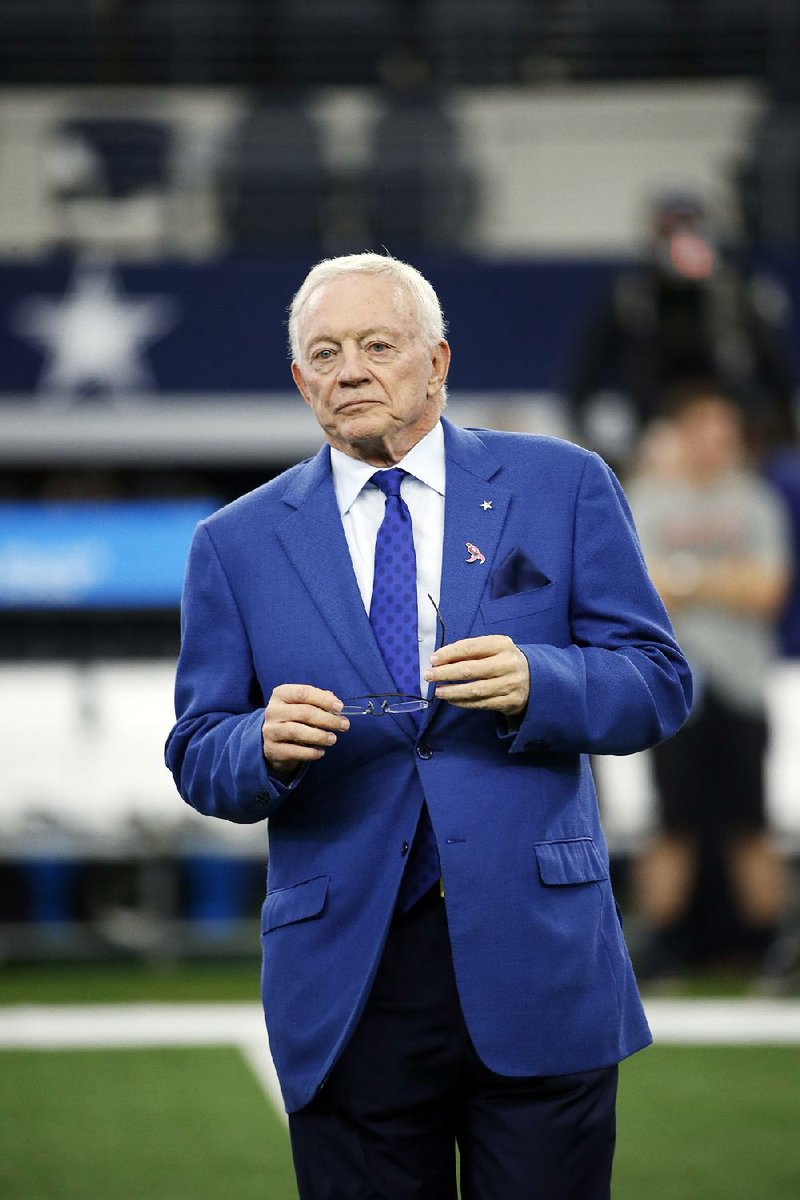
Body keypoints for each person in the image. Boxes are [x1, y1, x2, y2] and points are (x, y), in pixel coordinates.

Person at [165, 253, 692, 1199]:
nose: (350, 370)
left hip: (539, 956)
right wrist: (258, 745)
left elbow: (658, 683)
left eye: (378, 345)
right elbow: (200, 751)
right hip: (350, 982)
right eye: (324, 354)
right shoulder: (232, 543)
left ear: (437, 362)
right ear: (300, 382)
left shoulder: (563, 484)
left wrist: (544, 681)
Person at [627, 381, 791, 983]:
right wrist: (725, 582)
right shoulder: (648, 499)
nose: (716, 442)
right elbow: (641, 592)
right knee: (671, 822)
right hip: (674, 687)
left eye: (726, 431)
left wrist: (688, 579)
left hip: (742, 686)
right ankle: (661, 943)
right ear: (682, 432)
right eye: (705, 429)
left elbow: (769, 591)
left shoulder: (757, 502)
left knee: (753, 822)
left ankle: (771, 947)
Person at [568, 189, 796, 471]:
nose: (682, 238)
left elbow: (773, 365)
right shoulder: (632, 296)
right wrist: (596, 433)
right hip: (655, 426)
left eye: (691, 225)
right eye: (670, 228)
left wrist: (780, 430)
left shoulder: (737, 291)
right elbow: (586, 371)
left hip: (728, 423)